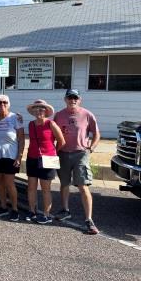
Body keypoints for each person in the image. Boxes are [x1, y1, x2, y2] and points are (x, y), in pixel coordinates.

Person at [54, 89, 100, 235]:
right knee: (64, 183)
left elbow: (96, 133)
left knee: (83, 185)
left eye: (75, 98)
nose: (72, 100)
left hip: (81, 153)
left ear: (79, 99)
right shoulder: (59, 115)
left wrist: (91, 148)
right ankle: (65, 210)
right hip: (63, 153)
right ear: (65, 99)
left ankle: (89, 219)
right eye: (70, 97)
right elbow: (52, 133)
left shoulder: (87, 114)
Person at [25, 99, 65, 224]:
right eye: (36, 108)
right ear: (32, 111)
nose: (39, 111)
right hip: (32, 157)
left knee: (45, 188)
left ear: (46, 111)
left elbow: (61, 141)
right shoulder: (31, 124)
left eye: (41, 108)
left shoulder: (51, 124)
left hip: (49, 159)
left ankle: (46, 214)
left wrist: (52, 152)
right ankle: (32, 211)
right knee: (31, 187)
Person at [0, 94, 25, 222]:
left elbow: (21, 139)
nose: (2, 105)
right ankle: (3, 207)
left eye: (5, 102)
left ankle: (15, 209)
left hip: (10, 156)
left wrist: (19, 156)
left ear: (8, 104)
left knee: (9, 183)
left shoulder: (15, 118)